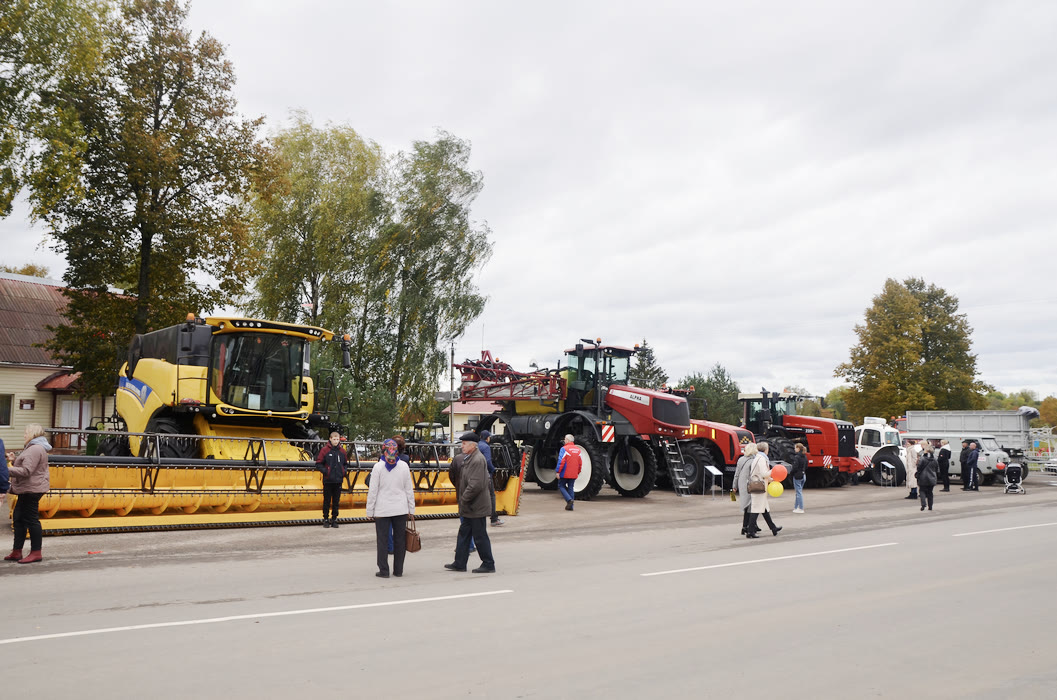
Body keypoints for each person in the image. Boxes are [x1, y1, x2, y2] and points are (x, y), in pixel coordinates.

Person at [445, 432, 496, 573]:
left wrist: (463, 499)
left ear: (473, 445)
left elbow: (475, 485)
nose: (462, 446)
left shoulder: (477, 460)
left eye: (464, 443)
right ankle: (460, 563)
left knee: (479, 536)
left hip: (476, 505)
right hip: (470, 505)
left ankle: (488, 563)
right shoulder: (469, 458)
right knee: (464, 534)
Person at [365, 438, 415, 578]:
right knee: (400, 540)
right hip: (400, 509)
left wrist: (370, 510)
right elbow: (408, 489)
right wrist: (411, 509)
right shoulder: (404, 466)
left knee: (382, 540)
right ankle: (398, 571)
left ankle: (384, 570)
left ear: (383, 449)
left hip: (382, 509)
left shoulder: (378, 467)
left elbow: (373, 491)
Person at [5, 424, 51, 564]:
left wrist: (5, 470)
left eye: (25, 433)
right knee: (18, 518)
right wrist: (13, 460)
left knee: (31, 520)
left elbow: (26, 471)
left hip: (32, 489)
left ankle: (36, 552)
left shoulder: (35, 448)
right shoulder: (33, 447)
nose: (24, 435)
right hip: (27, 489)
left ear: (32, 433)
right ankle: (17, 551)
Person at [746, 441, 782, 539]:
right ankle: (750, 531)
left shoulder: (758, 458)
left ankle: (773, 528)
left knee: (764, 509)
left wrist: (771, 479)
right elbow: (764, 473)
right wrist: (774, 471)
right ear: (766, 449)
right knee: (756, 509)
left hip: (759, 485)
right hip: (759, 487)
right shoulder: (761, 459)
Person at [315, 431, 348, 528]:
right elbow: (318, 463)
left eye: (337, 439)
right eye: (334, 439)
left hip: (338, 480)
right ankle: (325, 519)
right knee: (327, 500)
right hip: (328, 480)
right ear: (330, 439)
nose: (336, 441)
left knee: (336, 501)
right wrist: (326, 472)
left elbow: (345, 464)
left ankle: (334, 519)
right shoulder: (325, 450)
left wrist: (343, 472)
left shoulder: (342, 451)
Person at [478, 430, 504, 527]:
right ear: (487, 438)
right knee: (491, 496)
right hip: (486, 475)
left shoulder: (477, 446)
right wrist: (493, 470)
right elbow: (488, 461)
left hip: (476, 475)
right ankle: (494, 518)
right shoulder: (486, 447)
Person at [733, 442, 759, 535]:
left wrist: (734, 486)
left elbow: (737, 474)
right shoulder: (754, 461)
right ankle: (749, 527)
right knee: (751, 507)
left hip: (742, 484)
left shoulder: (740, 459)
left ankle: (745, 527)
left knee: (747, 506)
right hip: (750, 485)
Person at [556, 434, 582, 511]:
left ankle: (569, 500)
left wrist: (558, 471)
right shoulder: (578, 450)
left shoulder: (564, 449)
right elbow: (580, 463)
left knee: (561, 486)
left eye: (565, 439)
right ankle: (571, 506)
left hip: (565, 472)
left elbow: (561, 461)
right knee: (571, 487)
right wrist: (578, 471)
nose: (564, 441)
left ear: (567, 440)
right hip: (574, 473)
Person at [915, 442, 938, 511]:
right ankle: (930, 506)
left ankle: (923, 504)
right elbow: (937, 468)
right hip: (932, 477)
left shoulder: (922, 458)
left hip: (923, 477)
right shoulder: (935, 459)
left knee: (922, 490)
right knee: (930, 492)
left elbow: (919, 467)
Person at [791, 442, 807, 513]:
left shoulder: (797, 457)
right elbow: (806, 466)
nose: (794, 449)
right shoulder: (804, 456)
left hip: (797, 476)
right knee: (799, 492)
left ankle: (801, 508)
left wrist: (791, 472)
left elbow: (795, 467)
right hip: (803, 475)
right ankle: (796, 507)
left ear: (798, 448)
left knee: (798, 492)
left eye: (795, 448)